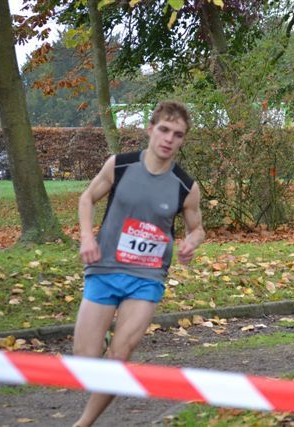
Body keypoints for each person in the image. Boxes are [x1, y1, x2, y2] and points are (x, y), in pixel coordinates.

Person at [72, 101, 205, 427]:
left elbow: (198, 228)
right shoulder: (120, 165)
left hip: (147, 277)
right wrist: (87, 237)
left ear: (183, 140)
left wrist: (192, 242)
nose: (169, 139)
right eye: (164, 130)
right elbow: (86, 198)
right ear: (150, 129)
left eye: (177, 134)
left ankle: (83, 423)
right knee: (84, 361)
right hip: (104, 269)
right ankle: (100, 343)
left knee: (120, 357)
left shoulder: (185, 186)